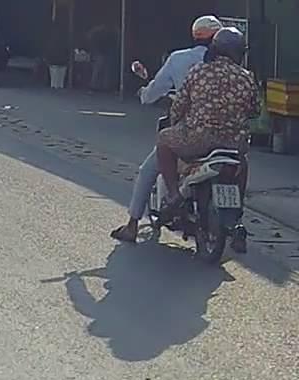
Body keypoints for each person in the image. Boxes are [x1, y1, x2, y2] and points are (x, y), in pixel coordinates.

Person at [110, 15, 222, 243]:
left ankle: (136, 222)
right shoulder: (231, 67)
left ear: (195, 36)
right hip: (226, 135)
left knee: (150, 167)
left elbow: (158, 91)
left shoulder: (181, 60)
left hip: (191, 132)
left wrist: (145, 94)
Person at [154, 25, 258, 253]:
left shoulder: (199, 71)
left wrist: (177, 120)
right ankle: (237, 214)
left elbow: (179, 107)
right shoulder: (246, 77)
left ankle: (174, 194)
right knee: (242, 164)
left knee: (163, 140)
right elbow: (254, 111)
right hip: (233, 144)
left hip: (197, 140)